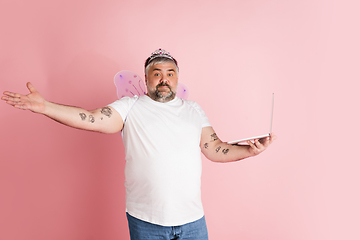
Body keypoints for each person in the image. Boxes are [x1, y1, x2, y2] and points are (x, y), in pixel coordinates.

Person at [2, 48, 276, 240]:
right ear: (146, 80)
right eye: (157, 73)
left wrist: (250, 150)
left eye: (170, 73)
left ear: (177, 78)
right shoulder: (130, 107)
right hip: (147, 222)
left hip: (193, 222)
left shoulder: (194, 110)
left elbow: (215, 149)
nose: (164, 78)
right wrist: (45, 106)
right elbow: (92, 118)